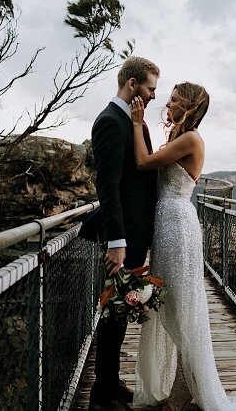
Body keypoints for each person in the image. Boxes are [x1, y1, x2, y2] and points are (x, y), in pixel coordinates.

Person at [129, 83, 236, 411]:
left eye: (175, 99)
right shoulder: (179, 138)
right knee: (170, 306)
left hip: (178, 227)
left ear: (188, 106)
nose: (169, 103)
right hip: (167, 225)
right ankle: (181, 389)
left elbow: (144, 163)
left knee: (178, 310)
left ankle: (194, 388)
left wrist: (136, 123)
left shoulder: (191, 139)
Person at [81, 56, 160, 411]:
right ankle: (102, 395)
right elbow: (108, 186)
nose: (154, 95)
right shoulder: (111, 122)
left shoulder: (132, 121)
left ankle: (110, 383)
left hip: (135, 234)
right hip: (123, 239)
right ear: (132, 85)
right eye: (150, 88)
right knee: (114, 313)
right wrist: (116, 243)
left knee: (121, 311)